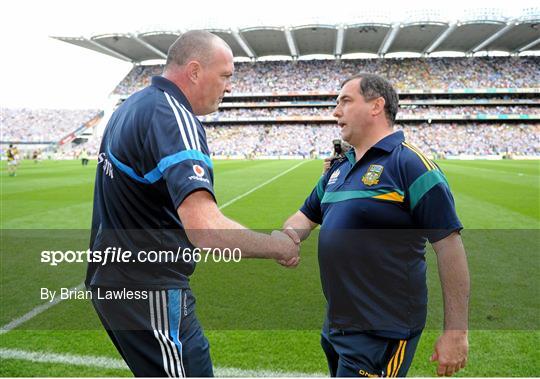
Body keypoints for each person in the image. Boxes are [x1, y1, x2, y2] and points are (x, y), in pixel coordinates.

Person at [86, 30, 299, 377]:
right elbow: (206, 230)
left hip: (117, 283)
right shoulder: (173, 115)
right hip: (148, 288)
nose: (229, 87)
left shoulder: (133, 106)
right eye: (226, 76)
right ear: (196, 71)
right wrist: (277, 246)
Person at [281, 73, 470, 377]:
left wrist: (456, 332)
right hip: (338, 324)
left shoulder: (410, 165)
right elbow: (305, 215)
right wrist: (288, 238)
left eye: (345, 101)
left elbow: (449, 246)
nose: (335, 111)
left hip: (383, 331)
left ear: (376, 106)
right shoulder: (338, 169)